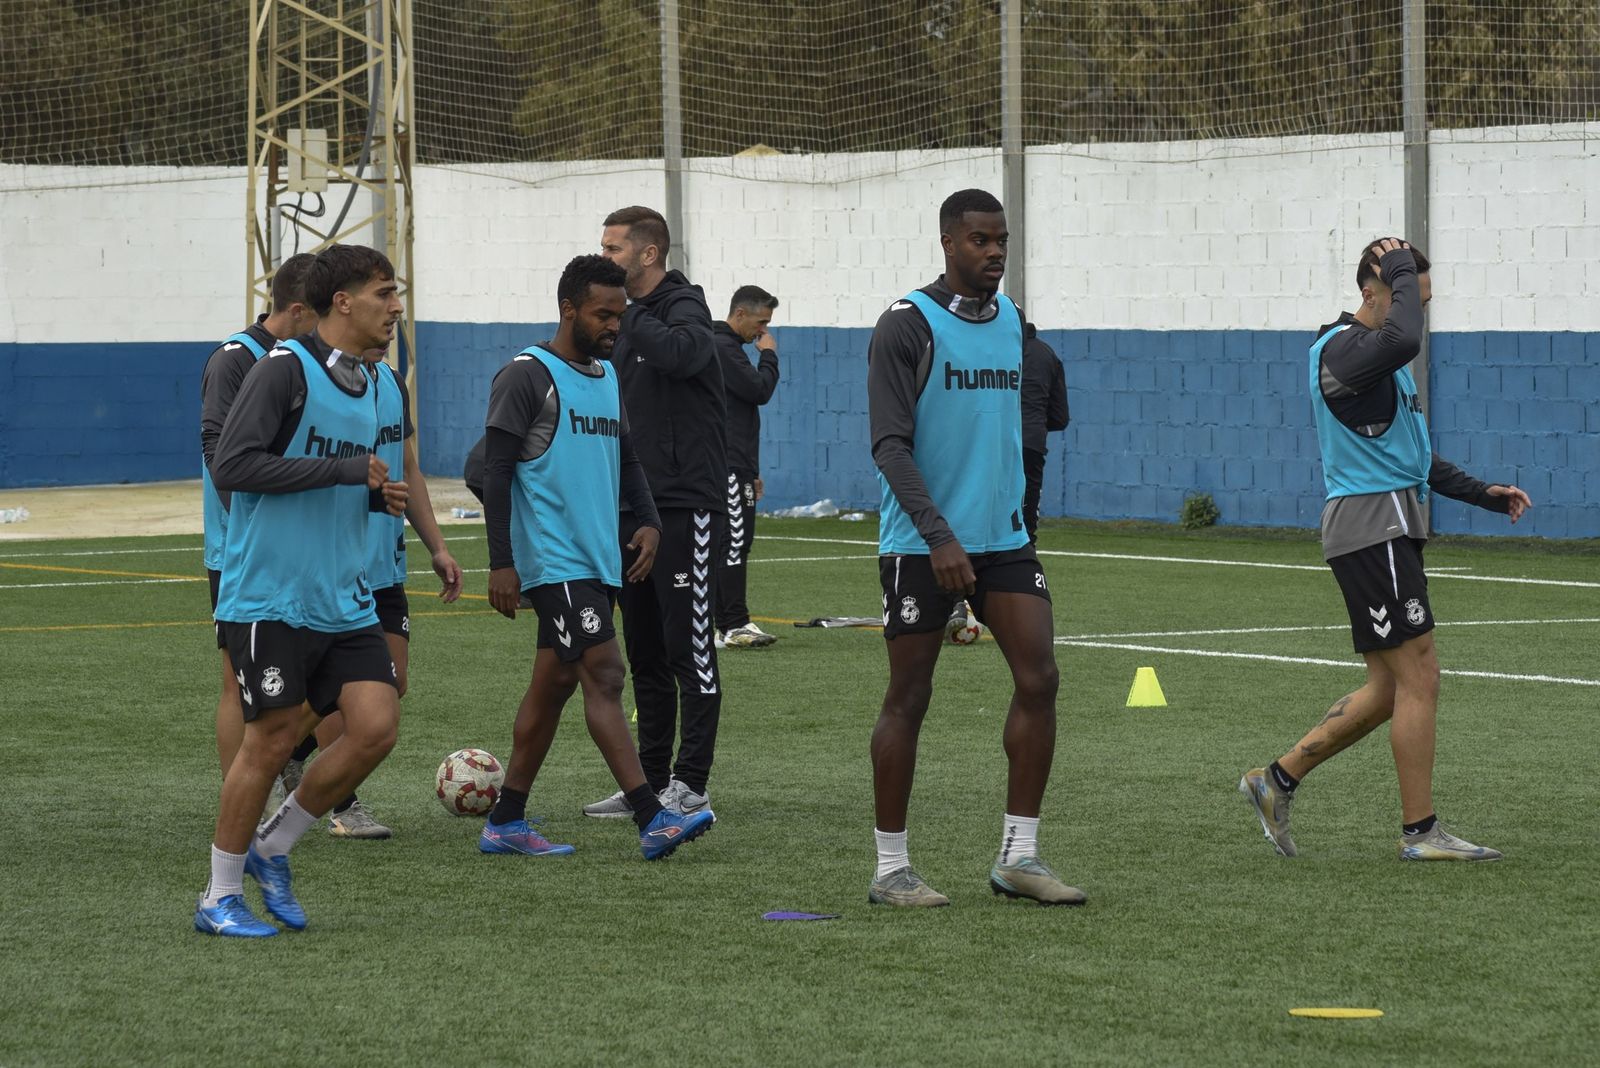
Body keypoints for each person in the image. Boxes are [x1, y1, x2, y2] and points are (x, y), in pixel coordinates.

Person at [1239, 237, 1532, 863]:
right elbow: (1403, 338)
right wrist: (1397, 263)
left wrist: (1484, 493)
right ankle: (1420, 833)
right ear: (1374, 291)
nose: (1417, 311)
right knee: (1421, 676)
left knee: (1391, 687)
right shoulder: (1341, 351)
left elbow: (1415, 460)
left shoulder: (1381, 367)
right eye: (1409, 296)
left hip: (1390, 523)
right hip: (1373, 529)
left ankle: (1275, 781)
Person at [865, 189, 1084, 908]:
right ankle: (891, 868)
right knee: (910, 696)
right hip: (922, 545)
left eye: (1002, 241)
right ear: (948, 243)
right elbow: (889, 447)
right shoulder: (906, 325)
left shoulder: (1013, 322)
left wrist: (1005, 517)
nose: (994, 253)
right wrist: (940, 537)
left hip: (1004, 541)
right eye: (980, 240)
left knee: (1040, 678)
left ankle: (1019, 856)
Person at [195, 244, 410, 937]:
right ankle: (219, 897)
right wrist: (347, 473)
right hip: (271, 595)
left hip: (342, 595)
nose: (396, 307)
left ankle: (272, 848)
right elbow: (234, 465)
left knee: (376, 726)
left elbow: (343, 475)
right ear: (342, 302)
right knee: (270, 741)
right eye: (385, 293)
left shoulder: (375, 381)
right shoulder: (282, 369)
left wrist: (379, 495)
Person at [478, 254, 714, 859]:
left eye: (621, 313)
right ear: (568, 310)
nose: (615, 325)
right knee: (607, 674)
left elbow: (628, 459)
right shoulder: (527, 375)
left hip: (598, 556)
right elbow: (493, 471)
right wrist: (502, 562)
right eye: (603, 314)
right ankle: (650, 816)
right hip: (554, 561)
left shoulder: (607, 375)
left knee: (552, 686)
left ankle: (505, 820)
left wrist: (652, 523)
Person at [276, 356, 464, 840]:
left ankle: (289, 755)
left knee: (391, 683)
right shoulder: (312, 381)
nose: (391, 316)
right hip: (334, 567)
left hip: (384, 565)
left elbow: (409, 469)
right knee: (350, 691)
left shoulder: (392, 384)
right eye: (382, 300)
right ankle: (343, 804)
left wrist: (438, 547)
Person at [584, 206, 728, 821]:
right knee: (642, 649)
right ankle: (649, 780)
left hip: (684, 505)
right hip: (632, 508)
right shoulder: (622, 327)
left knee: (687, 646)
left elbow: (685, 353)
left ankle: (691, 783)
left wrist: (633, 315)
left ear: (647, 254)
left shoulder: (681, 307)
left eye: (614, 249)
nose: (605, 257)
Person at [200, 252, 318, 777]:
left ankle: (310, 774)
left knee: (324, 667)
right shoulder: (236, 358)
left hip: (307, 544)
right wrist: (255, 526)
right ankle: (245, 792)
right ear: (296, 310)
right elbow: (219, 454)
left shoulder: (317, 360)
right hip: (242, 549)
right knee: (238, 677)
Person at [713, 285, 781, 649]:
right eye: (761, 322)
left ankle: (724, 622)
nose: (763, 331)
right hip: (727, 464)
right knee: (735, 543)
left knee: (728, 543)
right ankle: (733, 623)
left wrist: (750, 470)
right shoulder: (724, 348)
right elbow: (759, 390)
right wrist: (769, 356)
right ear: (740, 314)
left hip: (734, 464)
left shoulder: (724, 348)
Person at [1019, 322, 1068, 542]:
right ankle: (1026, 557)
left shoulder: (996, 349)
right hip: (1032, 441)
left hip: (995, 440)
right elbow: (1060, 417)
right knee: (1028, 505)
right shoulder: (1048, 354)